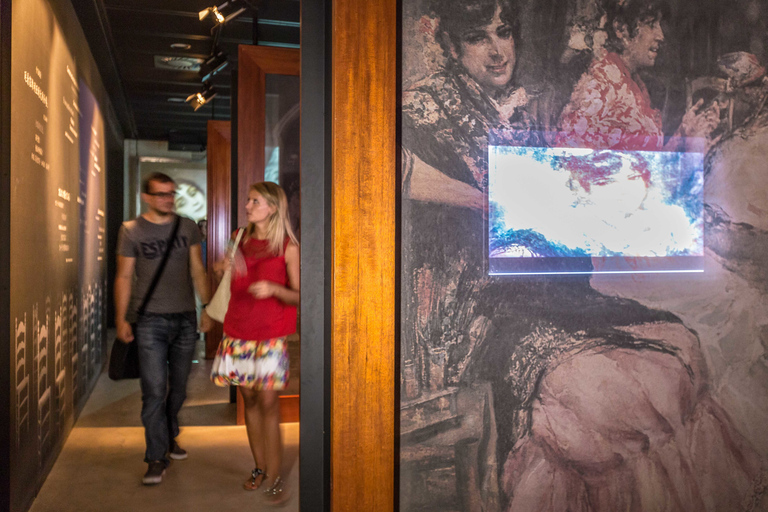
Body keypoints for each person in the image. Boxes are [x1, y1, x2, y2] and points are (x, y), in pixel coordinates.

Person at [401, 0, 765, 510]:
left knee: (679, 349)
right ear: (451, 45)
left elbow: (575, 195)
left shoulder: (517, 110)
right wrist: (485, 199)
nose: (497, 49)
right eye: (479, 38)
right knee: (608, 398)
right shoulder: (427, 104)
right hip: (474, 307)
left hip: (536, 285)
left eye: (503, 32)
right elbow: (388, 166)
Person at [114, 172, 211, 485]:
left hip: (184, 318)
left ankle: (170, 434)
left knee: (179, 389)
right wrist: (121, 318)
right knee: (154, 390)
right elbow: (124, 277)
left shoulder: (187, 227)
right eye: (160, 194)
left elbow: (197, 269)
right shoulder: (131, 230)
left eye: (171, 194)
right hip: (149, 321)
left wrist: (207, 307)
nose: (167, 200)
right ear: (146, 197)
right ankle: (155, 457)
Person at [209, 182, 299, 505]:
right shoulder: (238, 238)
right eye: (248, 200)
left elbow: (299, 295)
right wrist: (224, 267)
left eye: (254, 201)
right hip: (238, 331)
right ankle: (259, 468)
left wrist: (274, 289)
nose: (247, 205)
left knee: (270, 404)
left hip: (271, 336)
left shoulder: (288, 246)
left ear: (273, 208)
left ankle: (275, 479)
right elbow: (226, 274)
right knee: (249, 399)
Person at [557, 0, 721, 153]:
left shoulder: (630, 81)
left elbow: (645, 158)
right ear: (621, 29)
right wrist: (692, 149)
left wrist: (684, 135)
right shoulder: (603, 88)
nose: (661, 35)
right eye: (651, 25)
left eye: (658, 24)